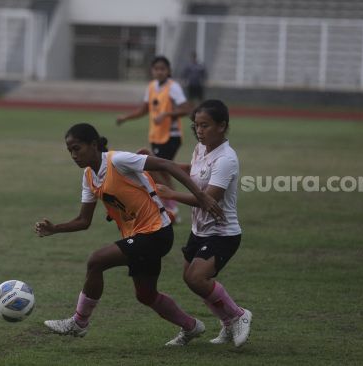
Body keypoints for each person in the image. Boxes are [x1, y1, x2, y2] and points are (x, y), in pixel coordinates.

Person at [34, 123, 224, 343]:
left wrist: (200, 196)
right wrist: (55, 228)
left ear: (93, 145)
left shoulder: (117, 160)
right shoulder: (89, 176)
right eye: (70, 151)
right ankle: (191, 326)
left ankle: (79, 322)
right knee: (146, 294)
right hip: (140, 235)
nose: (73, 155)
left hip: (156, 232)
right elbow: (83, 221)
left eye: (77, 148)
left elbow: (166, 165)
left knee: (96, 261)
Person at [156, 100, 252, 347]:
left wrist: (170, 194)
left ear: (222, 126)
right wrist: (157, 164)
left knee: (197, 278)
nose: (199, 130)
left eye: (205, 125)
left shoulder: (226, 159)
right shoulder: (201, 148)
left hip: (223, 233)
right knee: (191, 279)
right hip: (199, 229)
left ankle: (239, 315)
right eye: (196, 125)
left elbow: (208, 199)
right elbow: (192, 170)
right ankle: (228, 323)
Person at [116, 56, 190, 221]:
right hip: (156, 136)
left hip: (171, 136)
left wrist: (166, 114)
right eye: (156, 68)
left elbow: (186, 109)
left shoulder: (173, 87)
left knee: (159, 168)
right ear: (152, 70)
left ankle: (172, 206)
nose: (159, 71)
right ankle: (171, 203)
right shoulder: (151, 87)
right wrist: (125, 118)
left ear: (168, 71)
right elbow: (143, 110)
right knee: (163, 170)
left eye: (162, 68)